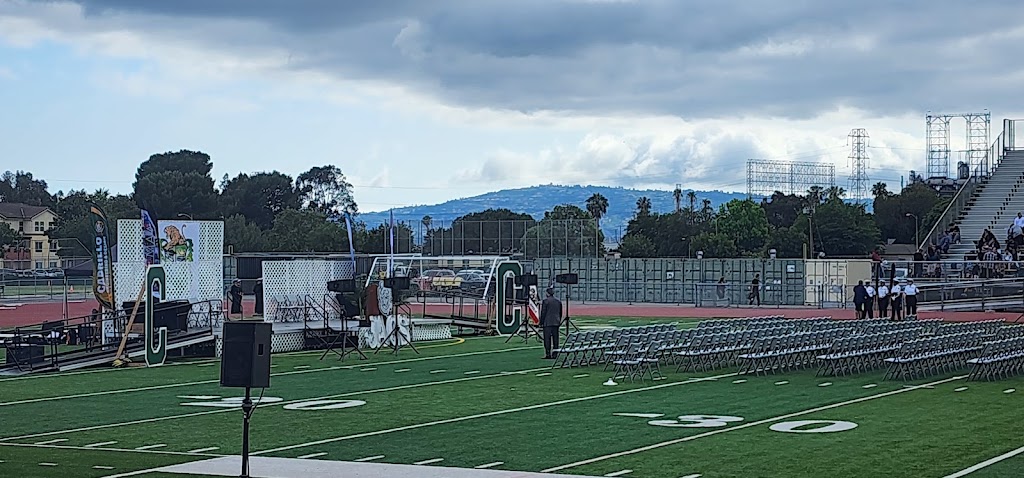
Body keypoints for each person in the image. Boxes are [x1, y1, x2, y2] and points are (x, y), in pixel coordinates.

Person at [539, 287, 563, 359]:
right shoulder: (558, 301)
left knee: (547, 339)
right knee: (556, 339)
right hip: (556, 322)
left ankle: (548, 353)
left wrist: (541, 322)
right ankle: (555, 353)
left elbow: (543, 312)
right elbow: (560, 312)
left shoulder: (545, 301)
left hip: (547, 322)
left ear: (547, 293)